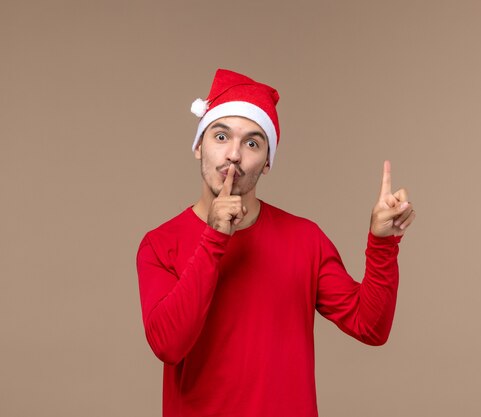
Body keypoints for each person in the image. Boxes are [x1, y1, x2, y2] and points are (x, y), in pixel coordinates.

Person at [136, 68, 416, 417]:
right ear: (198, 147)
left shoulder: (304, 240)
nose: (234, 155)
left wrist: (382, 245)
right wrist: (214, 239)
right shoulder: (160, 245)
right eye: (220, 137)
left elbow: (371, 326)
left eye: (252, 143)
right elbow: (168, 345)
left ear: (267, 162)